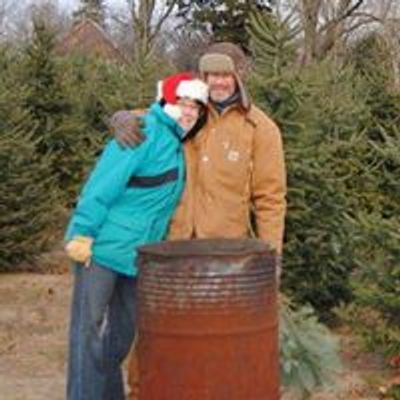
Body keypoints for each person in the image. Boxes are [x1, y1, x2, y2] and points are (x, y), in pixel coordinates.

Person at [111, 42, 287, 400]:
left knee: (219, 338)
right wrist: (121, 118)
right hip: (170, 247)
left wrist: (272, 256)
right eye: (210, 74)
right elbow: (146, 116)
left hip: (226, 256)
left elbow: (270, 198)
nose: (218, 82)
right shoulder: (184, 111)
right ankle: (144, 392)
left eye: (224, 74)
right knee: (155, 332)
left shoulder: (259, 128)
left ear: (238, 76)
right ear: (201, 78)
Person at [64, 72, 209, 400]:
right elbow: (101, 185)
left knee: (120, 337)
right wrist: (83, 233)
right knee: (88, 334)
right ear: (165, 103)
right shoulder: (141, 133)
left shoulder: (176, 142)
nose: (188, 112)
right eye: (182, 104)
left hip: (137, 258)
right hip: (101, 252)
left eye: (194, 107)